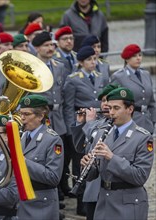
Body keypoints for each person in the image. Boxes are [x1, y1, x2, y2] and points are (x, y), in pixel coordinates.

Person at [84, 87, 154, 220]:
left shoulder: (143, 137)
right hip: (104, 202)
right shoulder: (102, 133)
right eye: (109, 108)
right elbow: (93, 174)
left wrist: (111, 158)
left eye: (116, 108)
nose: (111, 113)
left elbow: (140, 176)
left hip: (128, 204)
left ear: (130, 109)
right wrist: (87, 166)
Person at [63, 45, 108, 215]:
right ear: (81, 62)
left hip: (100, 123)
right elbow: (68, 106)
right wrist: (71, 129)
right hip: (82, 125)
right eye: (89, 60)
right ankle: (81, 202)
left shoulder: (100, 76)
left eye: (95, 59)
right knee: (81, 163)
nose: (93, 62)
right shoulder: (73, 79)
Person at [71, 84, 120, 220]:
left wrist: (89, 123)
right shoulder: (98, 122)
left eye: (108, 101)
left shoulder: (115, 124)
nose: (104, 104)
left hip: (112, 188)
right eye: (103, 101)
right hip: (93, 188)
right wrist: (80, 123)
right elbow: (80, 147)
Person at [31, 31, 70, 200]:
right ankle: (52, 188)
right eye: (46, 45)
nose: (50, 48)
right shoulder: (32, 66)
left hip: (58, 114)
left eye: (52, 45)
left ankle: (62, 185)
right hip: (41, 115)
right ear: (37, 48)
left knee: (60, 151)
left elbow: (63, 92)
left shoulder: (59, 65)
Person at [17, 95, 64, 220]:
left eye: (27, 114)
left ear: (40, 116)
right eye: (21, 114)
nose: (22, 118)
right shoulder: (21, 136)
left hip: (41, 205)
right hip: (21, 201)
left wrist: (23, 162)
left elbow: (53, 177)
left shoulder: (52, 139)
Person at [111, 44, 155, 134]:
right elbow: (114, 102)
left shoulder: (145, 74)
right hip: (129, 122)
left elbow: (151, 102)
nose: (138, 58)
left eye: (140, 55)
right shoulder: (119, 76)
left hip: (147, 122)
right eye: (134, 56)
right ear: (126, 59)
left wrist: (153, 120)